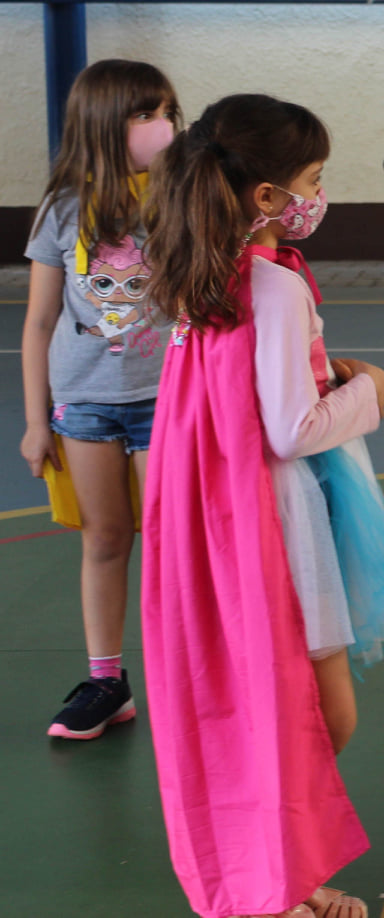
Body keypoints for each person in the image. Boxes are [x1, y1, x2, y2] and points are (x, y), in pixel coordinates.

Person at [143, 94, 384, 918]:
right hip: (271, 518)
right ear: (266, 196)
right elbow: (290, 427)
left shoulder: (204, 272)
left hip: (218, 513)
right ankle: (276, 886)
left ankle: (284, 882)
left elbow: (243, 398)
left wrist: (317, 375)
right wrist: (372, 387)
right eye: (310, 179)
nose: (318, 193)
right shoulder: (269, 286)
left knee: (276, 707)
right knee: (318, 713)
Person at [21, 60, 180, 740]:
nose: (162, 126)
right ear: (105, 127)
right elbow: (37, 321)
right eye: (146, 115)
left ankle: (183, 676)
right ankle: (107, 682)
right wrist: (36, 420)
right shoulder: (62, 210)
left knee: (172, 546)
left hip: (163, 398)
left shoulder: (179, 199)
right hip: (84, 402)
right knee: (106, 539)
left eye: (166, 111)